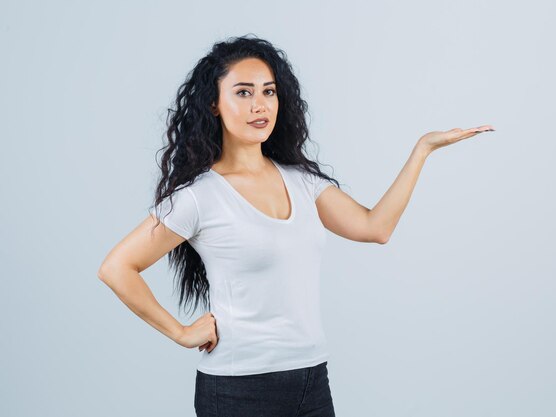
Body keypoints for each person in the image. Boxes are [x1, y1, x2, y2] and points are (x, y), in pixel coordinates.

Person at [97, 34, 495, 417]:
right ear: (214, 104)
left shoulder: (302, 182)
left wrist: (422, 150)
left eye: (269, 91)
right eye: (243, 92)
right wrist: (181, 332)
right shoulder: (200, 197)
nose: (260, 105)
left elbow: (376, 227)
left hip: (311, 379)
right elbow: (116, 268)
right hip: (238, 389)